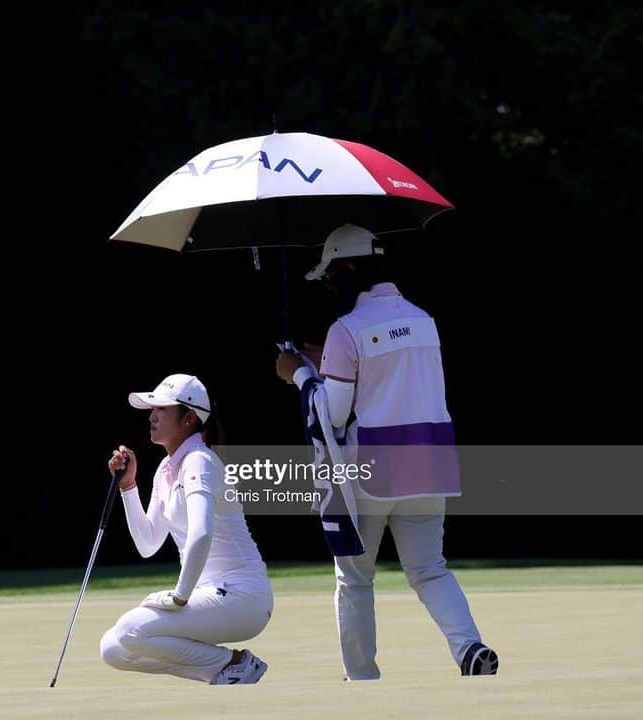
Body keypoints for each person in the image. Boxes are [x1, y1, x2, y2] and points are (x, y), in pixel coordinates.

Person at [275, 224, 499, 680]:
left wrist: (299, 373)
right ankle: (468, 647)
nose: (329, 286)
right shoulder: (423, 319)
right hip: (431, 464)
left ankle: (362, 678)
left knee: (355, 579)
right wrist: (327, 363)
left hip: (370, 471)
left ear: (349, 269)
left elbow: (334, 413)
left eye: (331, 277)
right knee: (430, 569)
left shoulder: (346, 329)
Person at [99, 373, 274, 684]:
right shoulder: (166, 469)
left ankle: (236, 663)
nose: (152, 416)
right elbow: (148, 543)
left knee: (130, 629)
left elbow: (201, 534)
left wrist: (179, 596)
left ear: (189, 418)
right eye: (152, 409)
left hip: (244, 598)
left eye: (162, 409)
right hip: (211, 595)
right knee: (113, 648)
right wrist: (129, 488)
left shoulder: (199, 461)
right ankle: (225, 667)